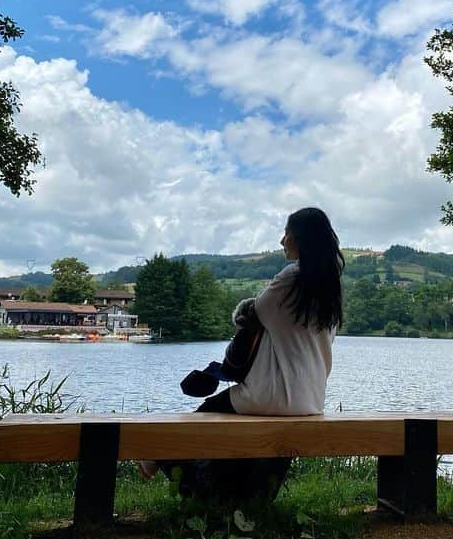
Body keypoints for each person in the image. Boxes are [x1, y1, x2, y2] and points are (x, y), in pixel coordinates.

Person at [139, 207, 345, 503]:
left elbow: (256, 311)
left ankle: (156, 460)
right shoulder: (331, 290)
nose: (281, 240)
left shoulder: (291, 277)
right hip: (311, 400)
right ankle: (233, 492)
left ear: (299, 238)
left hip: (271, 396)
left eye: (286, 233)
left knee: (203, 414)